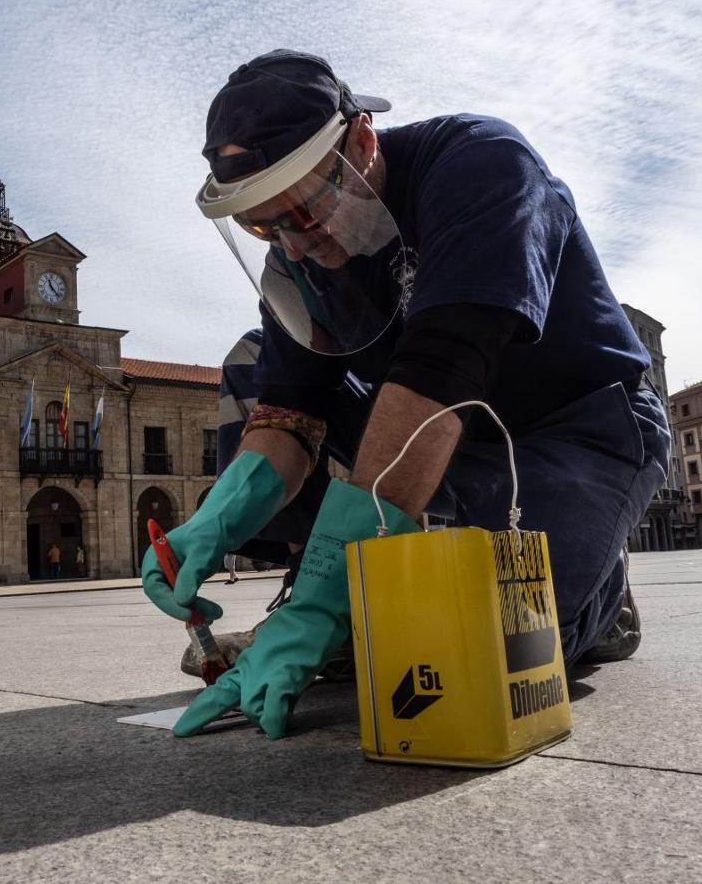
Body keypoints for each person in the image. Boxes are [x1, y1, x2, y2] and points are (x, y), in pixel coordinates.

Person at [142, 49, 669, 738]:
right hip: (430, 440)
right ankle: (320, 594)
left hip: (572, 427)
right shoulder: (297, 259)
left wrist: (330, 610)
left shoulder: (481, 164)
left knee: (493, 643)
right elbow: (291, 410)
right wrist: (218, 521)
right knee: (253, 358)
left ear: (361, 141)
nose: (293, 247)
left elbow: (442, 371)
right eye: (261, 226)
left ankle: (601, 597)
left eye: (302, 210)